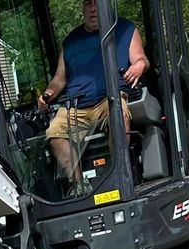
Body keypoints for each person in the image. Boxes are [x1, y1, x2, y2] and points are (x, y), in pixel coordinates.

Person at [38, 0, 150, 181]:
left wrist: (138, 65)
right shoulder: (70, 41)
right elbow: (59, 79)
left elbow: (141, 59)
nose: (92, 9)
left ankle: (121, 176)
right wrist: (48, 94)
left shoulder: (125, 29)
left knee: (119, 115)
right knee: (54, 132)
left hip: (109, 98)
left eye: (97, 3)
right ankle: (80, 186)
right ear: (83, 8)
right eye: (88, 4)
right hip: (75, 107)